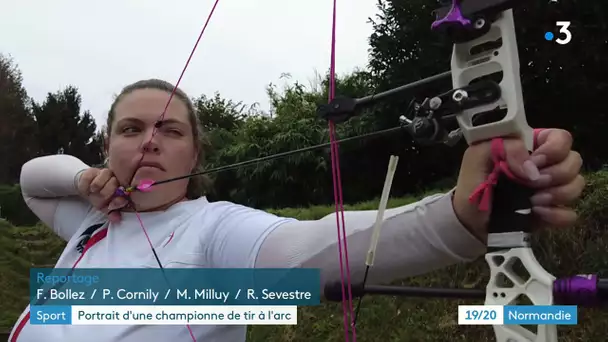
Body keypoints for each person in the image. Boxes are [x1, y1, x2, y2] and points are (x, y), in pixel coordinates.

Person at [10, 79, 584, 342]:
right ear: (108, 145)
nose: (149, 141)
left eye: (170, 129)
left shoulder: (212, 229)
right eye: (131, 129)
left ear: (194, 151)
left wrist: (458, 217)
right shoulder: (88, 219)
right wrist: (86, 181)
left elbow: (303, 251)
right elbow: (33, 180)